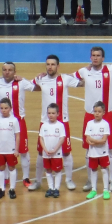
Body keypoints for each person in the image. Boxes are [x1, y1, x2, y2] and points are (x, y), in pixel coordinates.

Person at [73, 47, 112, 192]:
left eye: (98, 56)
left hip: (107, 115)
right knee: (89, 149)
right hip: (89, 116)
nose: (95, 58)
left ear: (103, 58)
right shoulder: (84, 71)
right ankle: (91, 180)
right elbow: (66, 78)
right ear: (90, 57)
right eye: (93, 56)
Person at [0, 62, 36, 188]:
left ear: (14, 72)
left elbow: (36, 86)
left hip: (18, 121)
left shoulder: (21, 83)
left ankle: (26, 178)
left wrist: (27, 78)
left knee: (23, 150)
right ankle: (5, 179)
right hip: (2, 123)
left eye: (10, 70)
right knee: (3, 150)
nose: (7, 72)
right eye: (5, 70)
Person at [32, 55, 82, 190]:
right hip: (45, 122)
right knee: (40, 152)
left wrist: (87, 72)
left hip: (62, 121)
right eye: (47, 64)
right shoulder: (40, 79)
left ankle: (69, 179)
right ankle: (37, 181)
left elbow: (82, 82)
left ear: (58, 66)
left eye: (53, 64)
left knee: (66, 152)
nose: (50, 67)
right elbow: (32, 86)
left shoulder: (65, 79)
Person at [0, 98, 21, 200]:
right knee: (1, 168)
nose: (3, 110)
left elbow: (18, 136)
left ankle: (12, 189)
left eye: (6, 108)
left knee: (12, 168)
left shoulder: (14, 120)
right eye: (1, 108)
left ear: (10, 108)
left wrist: (16, 149)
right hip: (0, 150)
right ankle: (2, 189)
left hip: (11, 150)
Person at [84, 101, 112, 200]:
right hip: (93, 152)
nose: (97, 113)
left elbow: (104, 140)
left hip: (103, 152)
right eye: (95, 111)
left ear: (103, 112)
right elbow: (87, 137)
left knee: (104, 169)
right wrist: (96, 141)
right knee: (93, 170)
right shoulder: (89, 123)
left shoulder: (105, 124)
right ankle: (94, 190)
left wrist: (94, 141)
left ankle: (105, 190)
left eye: (99, 111)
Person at [39, 103, 66, 198]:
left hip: (56, 153)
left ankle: (56, 188)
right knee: (48, 170)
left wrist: (55, 149)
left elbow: (62, 138)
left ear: (58, 114)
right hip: (46, 153)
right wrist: (45, 149)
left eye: (53, 113)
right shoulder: (44, 126)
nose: (50, 115)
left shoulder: (60, 126)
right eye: (49, 113)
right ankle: (50, 188)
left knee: (57, 170)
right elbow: (41, 138)